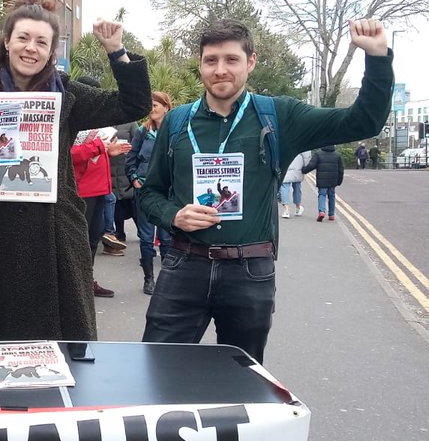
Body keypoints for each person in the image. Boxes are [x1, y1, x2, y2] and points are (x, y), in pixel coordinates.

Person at [138, 18, 392, 363]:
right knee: (155, 368)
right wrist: (174, 215)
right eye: (211, 60)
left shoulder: (278, 116)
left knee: (242, 381)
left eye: (231, 60)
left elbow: (362, 122)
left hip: (249, 272)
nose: (220, 70)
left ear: (251, 62)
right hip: (185, 264)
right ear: (200, 64)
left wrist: (378, 59)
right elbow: (149, 193)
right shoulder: (177, 121)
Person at [0, 0, 150, 340]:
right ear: (7, 41)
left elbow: (134, 104)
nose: (30, 49)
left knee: (72, 346)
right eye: (23, 38)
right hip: (0, 245)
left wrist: (116, 51)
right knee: (7, 350)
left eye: (41, 42)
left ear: (52, 52)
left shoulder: (67, 95)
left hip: (59, 241)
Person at [72, 124, 128, 296]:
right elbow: (69, 154)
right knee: (80, 241)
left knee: (93, 239)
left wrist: (107, 151)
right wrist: (98, 147)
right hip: (83, 192)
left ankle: (86, 281)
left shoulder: (96, 125)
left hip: (99, 190)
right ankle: (76, 285)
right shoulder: (74, 123)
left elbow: (91, 156)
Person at [127, 91, 173, 294]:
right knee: (146, 237)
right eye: (150, 105)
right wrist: (134, 178)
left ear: (166, 107)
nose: (152, 109)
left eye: (156, 105)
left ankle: (167, 280)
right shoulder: (142, 132)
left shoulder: (175, 132)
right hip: (144, 190)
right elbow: (131, 158)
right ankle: (149, 280)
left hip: (167, 192)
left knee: (166, 237)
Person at [105, 121, 138, 255]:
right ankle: (119, 233)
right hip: (111, 168)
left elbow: (137, 143)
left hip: (125, 166)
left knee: (131, 203)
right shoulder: (104, 124)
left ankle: (142, 231)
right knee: (116, 203)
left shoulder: (131, 124)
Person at [303, 144, 344, 221]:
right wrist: (339, 181)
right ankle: (331, 215)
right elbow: (341, 170)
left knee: (322, 195)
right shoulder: (337, 155)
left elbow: (312, 165)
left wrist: (304, 170)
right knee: (331, 196)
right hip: (333, 180)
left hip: (322, 179)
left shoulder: (318, 154)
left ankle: (322, 212)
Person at [279, 150, 311, 219]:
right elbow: (307, 156)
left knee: (284, 187)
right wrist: (306, 167)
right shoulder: (303, 140)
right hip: (298, 166)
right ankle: (298, 207)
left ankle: (286, 210)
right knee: (297, 187)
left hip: (285, 165)